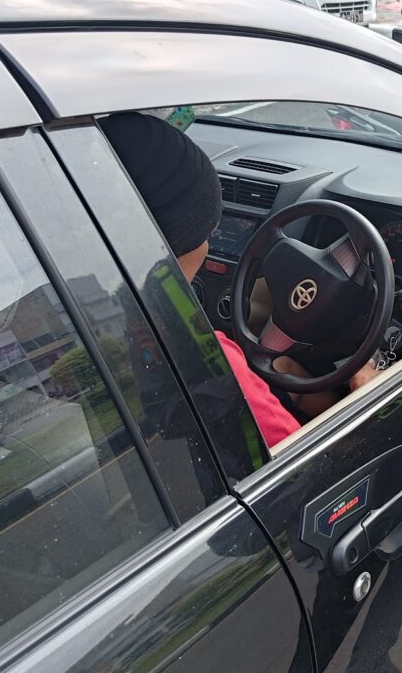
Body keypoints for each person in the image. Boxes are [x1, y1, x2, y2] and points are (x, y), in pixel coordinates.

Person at [100, 111, 302, 450]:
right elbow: (308, 462)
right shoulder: (214, 362)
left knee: (286, 367)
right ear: (196, 233)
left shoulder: (121, 312)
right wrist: (365, 385)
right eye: (213, 228)